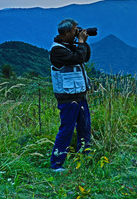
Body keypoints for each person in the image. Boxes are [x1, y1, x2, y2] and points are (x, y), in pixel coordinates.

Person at [49, 18, 92, 171]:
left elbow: (85, 57)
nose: (77, 32)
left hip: (79, 95)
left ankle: (84, 158)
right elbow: (78, 58)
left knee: (85, 127)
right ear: (66, 32)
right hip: (67, 98)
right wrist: (80, 42)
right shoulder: (57, 50)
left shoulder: (69, 45)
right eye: (75, 30)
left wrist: (83, 42)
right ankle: (56, 164)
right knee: (66, 130)